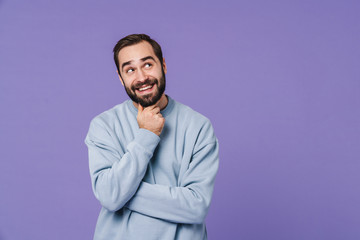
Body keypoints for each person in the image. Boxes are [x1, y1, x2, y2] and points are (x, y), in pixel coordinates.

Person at [85, 34, 219, 240]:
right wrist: (146, 135)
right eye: (130, 70)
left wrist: (122, 192)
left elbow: (196, 207)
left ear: (163, 65)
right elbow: (110, 196)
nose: (141, 77)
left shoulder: (199, 126)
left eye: (148, 64)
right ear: (121, 78)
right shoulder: (104, 126)